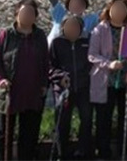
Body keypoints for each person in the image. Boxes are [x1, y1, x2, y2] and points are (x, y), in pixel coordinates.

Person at [0, 0, 48, 161]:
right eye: (23, 12)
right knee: (5, 133)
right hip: (10, 91)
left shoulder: (40, 35)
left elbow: (45, 61)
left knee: (29, 133)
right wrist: (1, 79)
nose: (27, 15)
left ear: (35, 16)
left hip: (33, 91)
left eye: (31, 13)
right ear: (16, 14)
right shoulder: (6, 35)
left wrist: (44, 83)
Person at [88, 0, 127, 159]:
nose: (119, 11)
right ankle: (103, 153)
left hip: (126, 80)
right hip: (105, 80)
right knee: (104, 118)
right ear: (109, 10)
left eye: (123, 8)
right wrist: (109, 64)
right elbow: (92, 55)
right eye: (115, 8)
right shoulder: (100, 29)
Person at [49, 15, 93, 160]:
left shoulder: (87, 42)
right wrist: (60, 77)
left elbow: (91, 63)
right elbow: (50, 66)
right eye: (68, 25)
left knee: (86, 119)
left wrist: (86, 76)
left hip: (83, 87)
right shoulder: (57, 43)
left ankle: (83, 151)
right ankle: (62, 153)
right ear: (63, 27)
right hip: (63, 88)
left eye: (75, 26)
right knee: (62, 121)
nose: (72, 29)